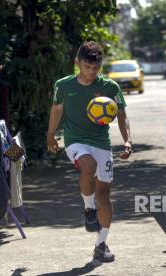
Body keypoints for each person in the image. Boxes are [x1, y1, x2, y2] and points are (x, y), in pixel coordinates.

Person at [47, 41, 132, 262]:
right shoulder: (64, 86)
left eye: (96, 67)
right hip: (75, 140)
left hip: (101, 142)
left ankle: (101, 245)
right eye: (87, 67)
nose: (92, 71)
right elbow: (56, 110)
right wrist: (50, 135)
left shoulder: (110, 87)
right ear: (78, 63)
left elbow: (121, 115)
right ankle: (88, 209)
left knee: (104, 196)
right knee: (88, 167)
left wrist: (127, 141)